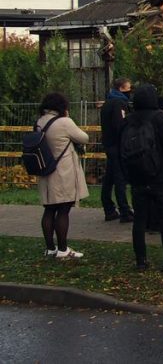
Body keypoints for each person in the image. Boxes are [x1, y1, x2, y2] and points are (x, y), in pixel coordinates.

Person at [123, 84, 163, 271]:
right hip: (160, 175)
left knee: (140, 219)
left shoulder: (129, 121)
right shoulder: (161, 119)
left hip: (137, 176)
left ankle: (141, 260)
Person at [36, 92, 90, 259]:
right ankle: (63, 249)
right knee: (63, 210)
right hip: (63, 171)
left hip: (46, 170)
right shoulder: (65, 122)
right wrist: (68, 117)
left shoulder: (40, 122)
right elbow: (84, 138)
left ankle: (50, 248)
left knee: (49, 210)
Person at [99, 77, 134, 223]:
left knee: (110, 178)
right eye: (128, 88)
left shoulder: (108, 102)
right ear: (121, 88)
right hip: (118, 145)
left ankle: (108, 207)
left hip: (109, 144)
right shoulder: (119, 103)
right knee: (119, 178)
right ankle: (124, 210)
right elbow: (121, 124)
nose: (130, 92)